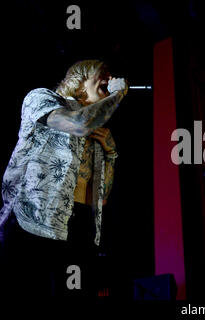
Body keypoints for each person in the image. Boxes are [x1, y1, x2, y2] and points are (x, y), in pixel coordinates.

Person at [0, 60, 128, 298]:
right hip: (31, 223)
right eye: (104, 74)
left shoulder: (99, 134)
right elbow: (77, 124)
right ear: (79, 81)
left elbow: (97, 200)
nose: (110, 80)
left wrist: (111, 153)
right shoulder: (43, 98)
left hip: (76, 233)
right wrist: (118, 94)